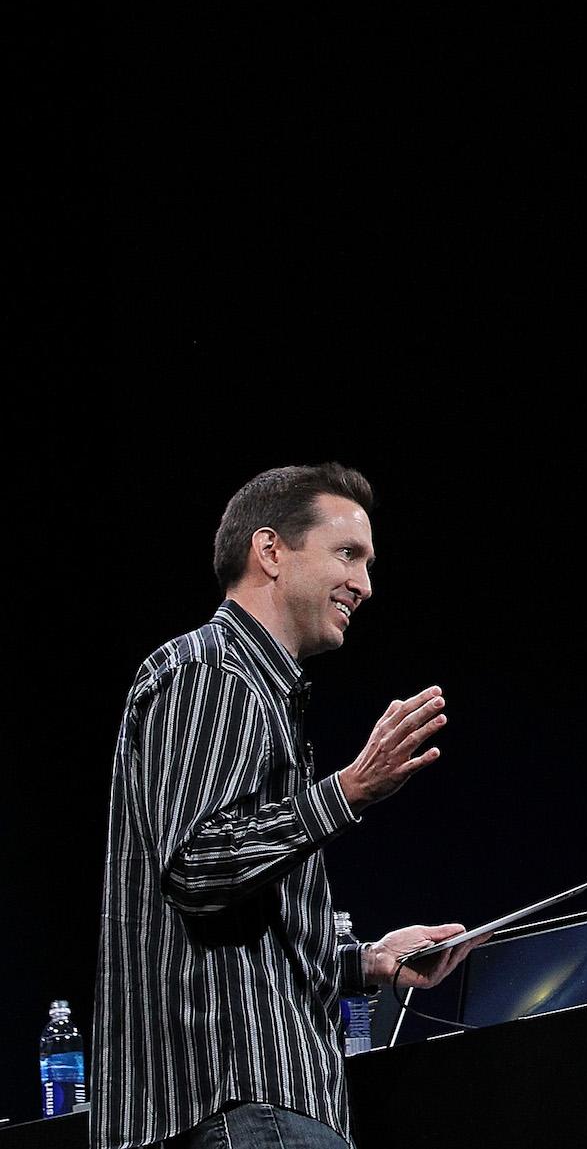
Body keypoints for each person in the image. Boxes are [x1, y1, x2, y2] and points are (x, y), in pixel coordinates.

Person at [92, 464, 475, 1149]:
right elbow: (198, 867)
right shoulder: (215, 672)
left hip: (261, 1103)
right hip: (243, 1102)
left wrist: (369, 961)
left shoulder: (257, 691)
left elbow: (243, 924)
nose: (365, 583)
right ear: (269, 551)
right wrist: (347, 790)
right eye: (347, 553)